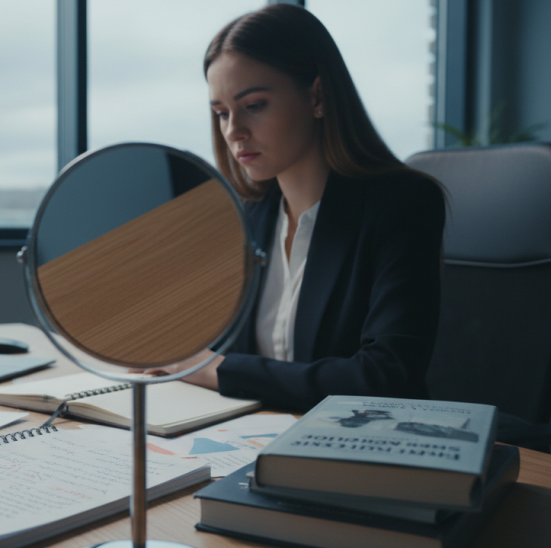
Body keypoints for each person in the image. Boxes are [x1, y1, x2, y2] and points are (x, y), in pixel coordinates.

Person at [148, 4, 446, 412]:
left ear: (318, 95)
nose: (234, 131)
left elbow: (384, 375)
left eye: (254, 105)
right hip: (253, 437)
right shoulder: (249, 216)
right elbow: (213, 342)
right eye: (221, 113)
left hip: (361, 448)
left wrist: (218, 370)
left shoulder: (402, 203)